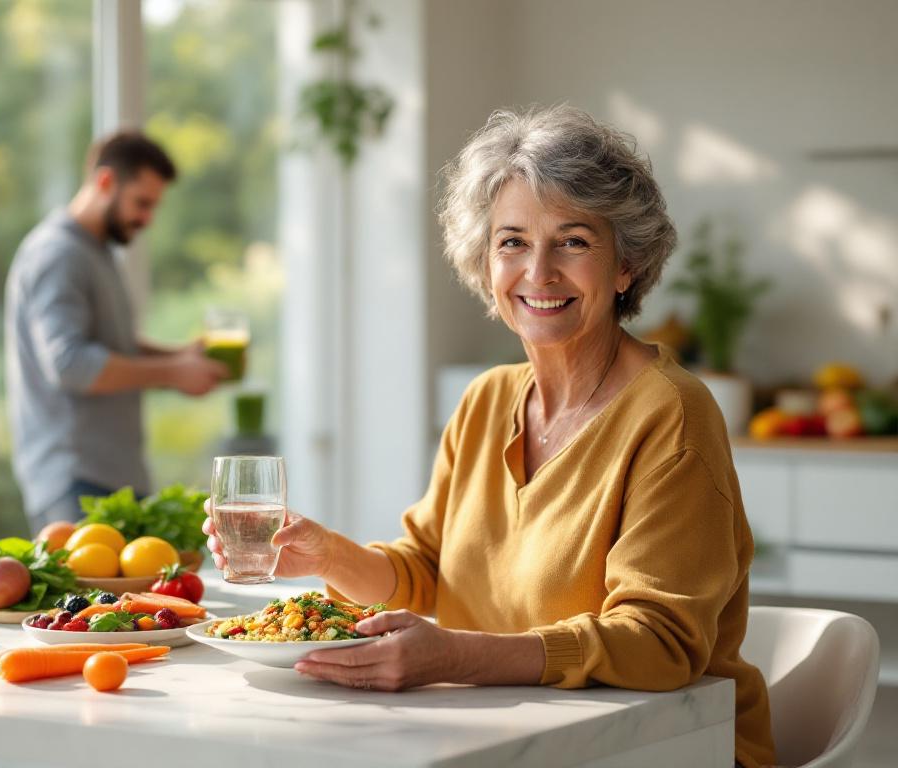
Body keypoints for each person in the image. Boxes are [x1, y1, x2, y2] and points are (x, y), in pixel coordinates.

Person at [204, 106, 775, 768]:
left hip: (668, 748)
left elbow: (660, 643)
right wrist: (329, 557)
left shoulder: (672, 414)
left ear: (627, 265)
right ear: (485, 260)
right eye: (512, 242)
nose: (538, 273)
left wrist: (455, 655)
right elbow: (426, 571)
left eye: (573, 241)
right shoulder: (485, 400)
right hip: (502, 738)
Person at [5, 130, 228, 532]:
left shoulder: (96, 251)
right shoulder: (58, 254)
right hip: (76, 481)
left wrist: (178, 356)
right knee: (93, 598)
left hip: (112, 478)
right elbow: (70, 364)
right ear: (105, 182)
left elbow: (110, 347)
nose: (147, 219)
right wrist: (172, 372)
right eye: (141, 203)